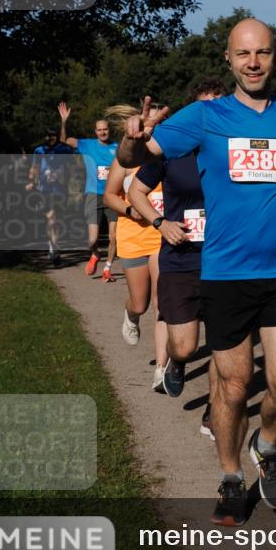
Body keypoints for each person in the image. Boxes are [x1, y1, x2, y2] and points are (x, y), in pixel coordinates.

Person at [117, 20, 276, 526]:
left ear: (275, 56)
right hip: (226, 273)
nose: (253, 62)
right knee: (232, 385)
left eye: (263, 52)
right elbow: (138, 159)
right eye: (243, 53)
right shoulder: (204, 117)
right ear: (228, 59)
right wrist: (130, 142)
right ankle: (230, 476)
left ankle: (266, 443)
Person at [127, 79, 227, 437]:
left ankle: (215, 411)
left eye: (218, 104)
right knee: (185, 346)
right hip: (181, 258)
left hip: (224, 258)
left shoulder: (230, 147)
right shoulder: (170, 151)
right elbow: (135, 191)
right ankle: (177, 360)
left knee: (224, 345)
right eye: (203, 106)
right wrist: (160, 222)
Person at [102, 105, 168, 391]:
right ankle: (131, 314)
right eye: (148, 122)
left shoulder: (170, 155)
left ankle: (162, 368)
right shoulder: (126, 159)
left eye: (159, 122)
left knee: (162, 302)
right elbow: (108, 196)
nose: (153, 127)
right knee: (140, 303)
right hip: (133, 236)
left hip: (162, 236)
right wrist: (130, 210)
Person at [59, 102, 118, 282]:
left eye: (105, 129)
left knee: (114, 236)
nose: (102, 132)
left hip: (113, 195)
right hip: (93, 195)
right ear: (95, 132)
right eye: (99, 130)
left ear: (109, 130)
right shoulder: (87, 145)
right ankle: (95, 254)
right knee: (92, 240)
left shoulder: (117, 147)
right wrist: (64, 122)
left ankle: (108, 268)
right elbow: (64, 141)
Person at [25, 127, 77, 266]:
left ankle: (53, 246)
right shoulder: (39, 150)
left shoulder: (64, 149)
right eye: (48, 135)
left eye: (53, 135)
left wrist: (67, 177)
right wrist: (31, 181)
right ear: (45, 137)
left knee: (55, 219)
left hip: (60, 190)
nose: (50, 138)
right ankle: (53, 247)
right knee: (51, 218)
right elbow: (34, 167)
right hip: (45, 190)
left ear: (56, 136)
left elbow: (73, 166)